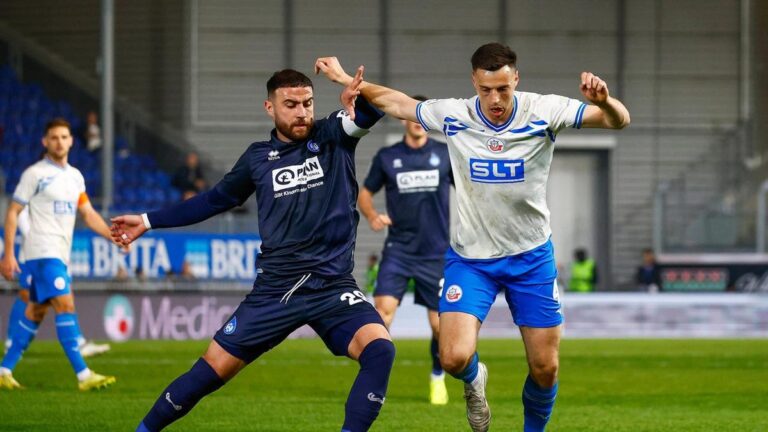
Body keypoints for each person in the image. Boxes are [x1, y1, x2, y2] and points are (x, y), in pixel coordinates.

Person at [315, 42, 630, 432]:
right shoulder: (455, 115)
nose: (495, 99)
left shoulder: (545, 110)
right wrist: (347, 81)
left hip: (530, 258)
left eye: (503, 88)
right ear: (474, 83)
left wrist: (607, 100)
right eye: (486, 89)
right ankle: (474, 379)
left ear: (516, 78)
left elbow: (618, 121)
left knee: (545, 367)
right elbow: (396, 102)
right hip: (471, 260)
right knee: (453, 358)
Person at [111, 68, 394, 432]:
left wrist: (345, 83)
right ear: (269, 107)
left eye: (307, 103)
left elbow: (378, 106)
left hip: (333, 286)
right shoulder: (258, 158)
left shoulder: (334, 132)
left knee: (380, 349)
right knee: (209, 373)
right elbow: (214, 200)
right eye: (290, 105)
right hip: (276, 290)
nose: (301, 112)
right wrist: (148, 221)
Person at [0, 118, 119, 391]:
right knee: (65, 305)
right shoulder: (35, 174)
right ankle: (83, 375)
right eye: (54, 137)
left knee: (36, 311)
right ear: (45, 142)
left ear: (71, 141)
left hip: (58, 254)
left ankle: (4, 369)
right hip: (42, 251)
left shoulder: (75, 177)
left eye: (64, 137)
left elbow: (88, 214)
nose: (59, 142)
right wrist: (8, 254)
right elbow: (12, 212)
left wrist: (113, 236)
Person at [358, 97, 453, 405]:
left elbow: (469, 187)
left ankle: (437, 376)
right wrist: (372, 215)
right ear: (403, 119)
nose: (416, 121)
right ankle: (374, 386)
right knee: (381, 317)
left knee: (440, 327)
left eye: (422, 115)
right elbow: (365, 192)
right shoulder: (388, 157)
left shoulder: (444, 153)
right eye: (411, 115)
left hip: (435, 253)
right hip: (398, 251)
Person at [4, 207, 111, 357]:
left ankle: (78, 341)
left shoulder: (66, 187)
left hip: (57, 252)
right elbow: (20, 212)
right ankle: (11, 342)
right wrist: (39, 239)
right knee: (26, 296)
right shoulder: (35, 185)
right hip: (35, 253)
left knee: (66, 295)